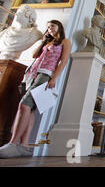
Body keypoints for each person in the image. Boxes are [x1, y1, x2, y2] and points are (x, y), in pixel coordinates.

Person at [0, 20, 71, 158]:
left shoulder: (65, 42)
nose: (49, 29)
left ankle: (13, 143)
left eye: (52, 26)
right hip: (32, 74)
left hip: (45, 74)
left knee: (24, 105)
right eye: (48, 27)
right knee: (30, 109)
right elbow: (34, 55)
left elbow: (64, 60)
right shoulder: (47, 42)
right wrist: (43, 41)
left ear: (59, 27)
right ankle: (24, 145)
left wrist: (54, 78)